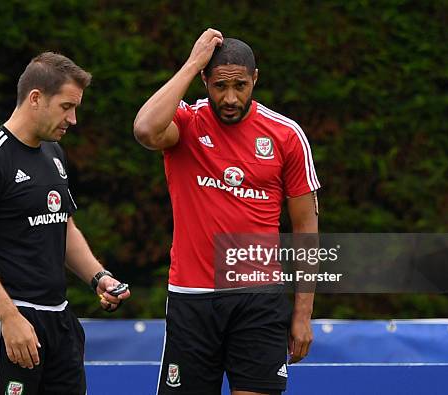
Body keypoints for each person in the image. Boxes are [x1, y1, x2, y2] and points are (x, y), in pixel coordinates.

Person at [133, 29, 320, 395]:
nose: (230, 98)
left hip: (259, 299)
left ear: (255, 80)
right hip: (192, 296)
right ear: (204, 80)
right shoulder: (186, 123)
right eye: (219, 86)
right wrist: (191, 63)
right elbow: (145, 129)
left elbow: (305, 228)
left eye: (240, 86)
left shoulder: (286, 135)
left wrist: (302, 314)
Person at [0, 52, 130, 395]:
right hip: (10, 320)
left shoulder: (54, 153)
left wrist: (98, 276)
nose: (73, 119)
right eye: (66, 107)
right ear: (35, 98)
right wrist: (9, 318)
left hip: (59, 319)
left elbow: (63, 225)